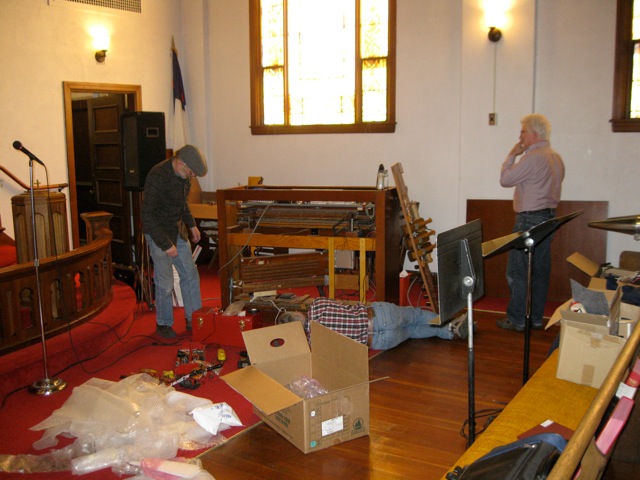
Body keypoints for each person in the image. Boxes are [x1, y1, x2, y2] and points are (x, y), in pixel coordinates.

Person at [498, 114, 565, 332]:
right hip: (549, 218)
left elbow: (505, 180)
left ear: (534, 134)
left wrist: (512, 154)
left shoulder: (532, 157)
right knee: (539, 271)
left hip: (528, 219)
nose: (520, 137)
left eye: (523, 132)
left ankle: (517, 319)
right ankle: (535, 318)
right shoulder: (556, 158)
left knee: (518, 271)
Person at [142, 145, 208, 338]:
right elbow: (146, 216)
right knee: (165, 282)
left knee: (190, 274)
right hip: (158, 231)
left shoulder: (184, 176)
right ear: (180, 162)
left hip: (177, 229)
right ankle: (163, 323)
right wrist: (166, 244)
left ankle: (194, 319)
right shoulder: (157, 176)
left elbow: (182, 204)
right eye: (191, 172)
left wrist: (192, 225)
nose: (191, 176)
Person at [278, 297, 469, 350]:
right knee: (417, 315)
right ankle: (451, 323)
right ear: (297, 313)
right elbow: (342, 305)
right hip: (377, 316)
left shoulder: (313, 344)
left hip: (379, 341)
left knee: (411, 331)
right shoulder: (317, 304)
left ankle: (448, 333)